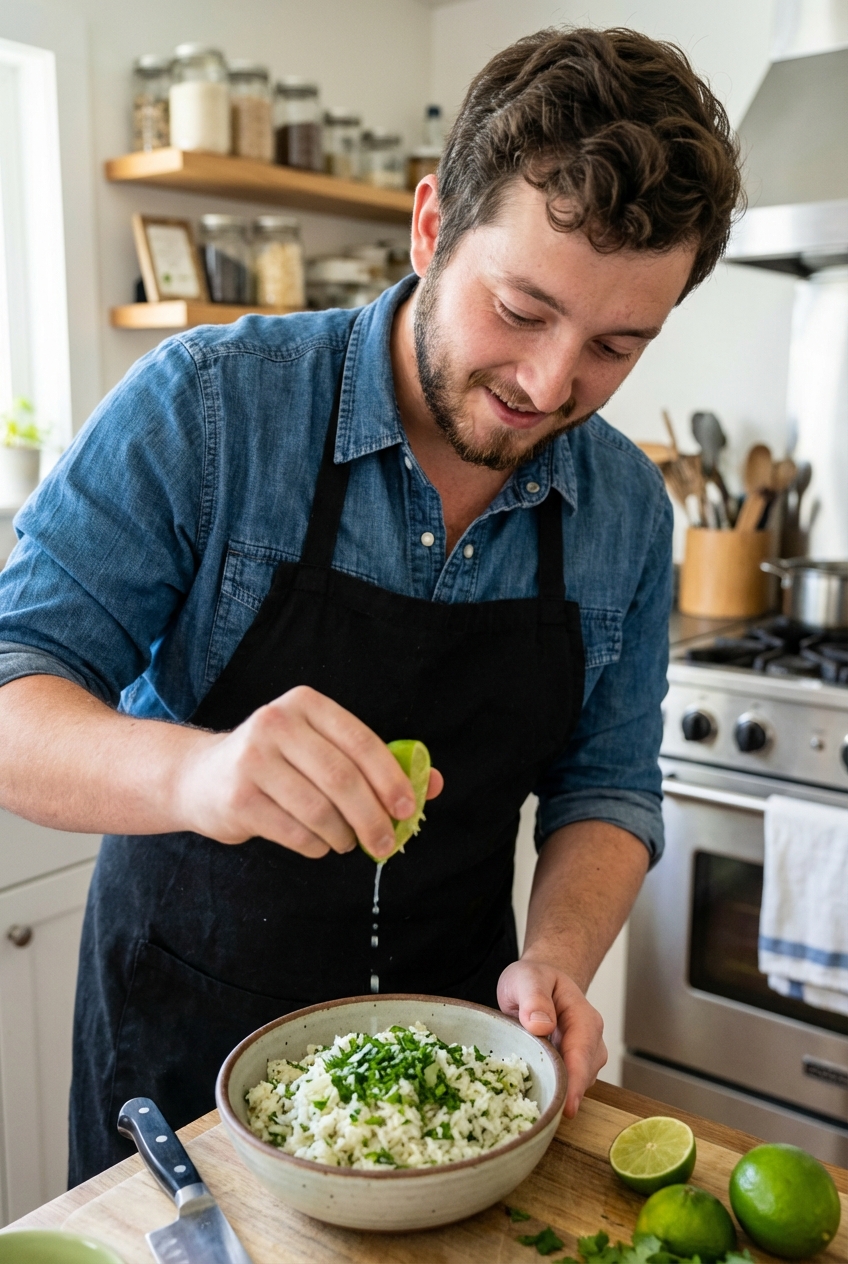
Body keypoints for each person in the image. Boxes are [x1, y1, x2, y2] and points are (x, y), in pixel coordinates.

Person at [0, 26, 742, 1183]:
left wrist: (555, 956)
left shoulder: (625, 512)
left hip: (452, 1082)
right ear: (431, 225)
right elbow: (12, 693)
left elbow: (605, 785)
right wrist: (200, 773)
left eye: (613, 345)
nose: (548, 386)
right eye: (521, 310)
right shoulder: (209, 411)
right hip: (181, 1059)